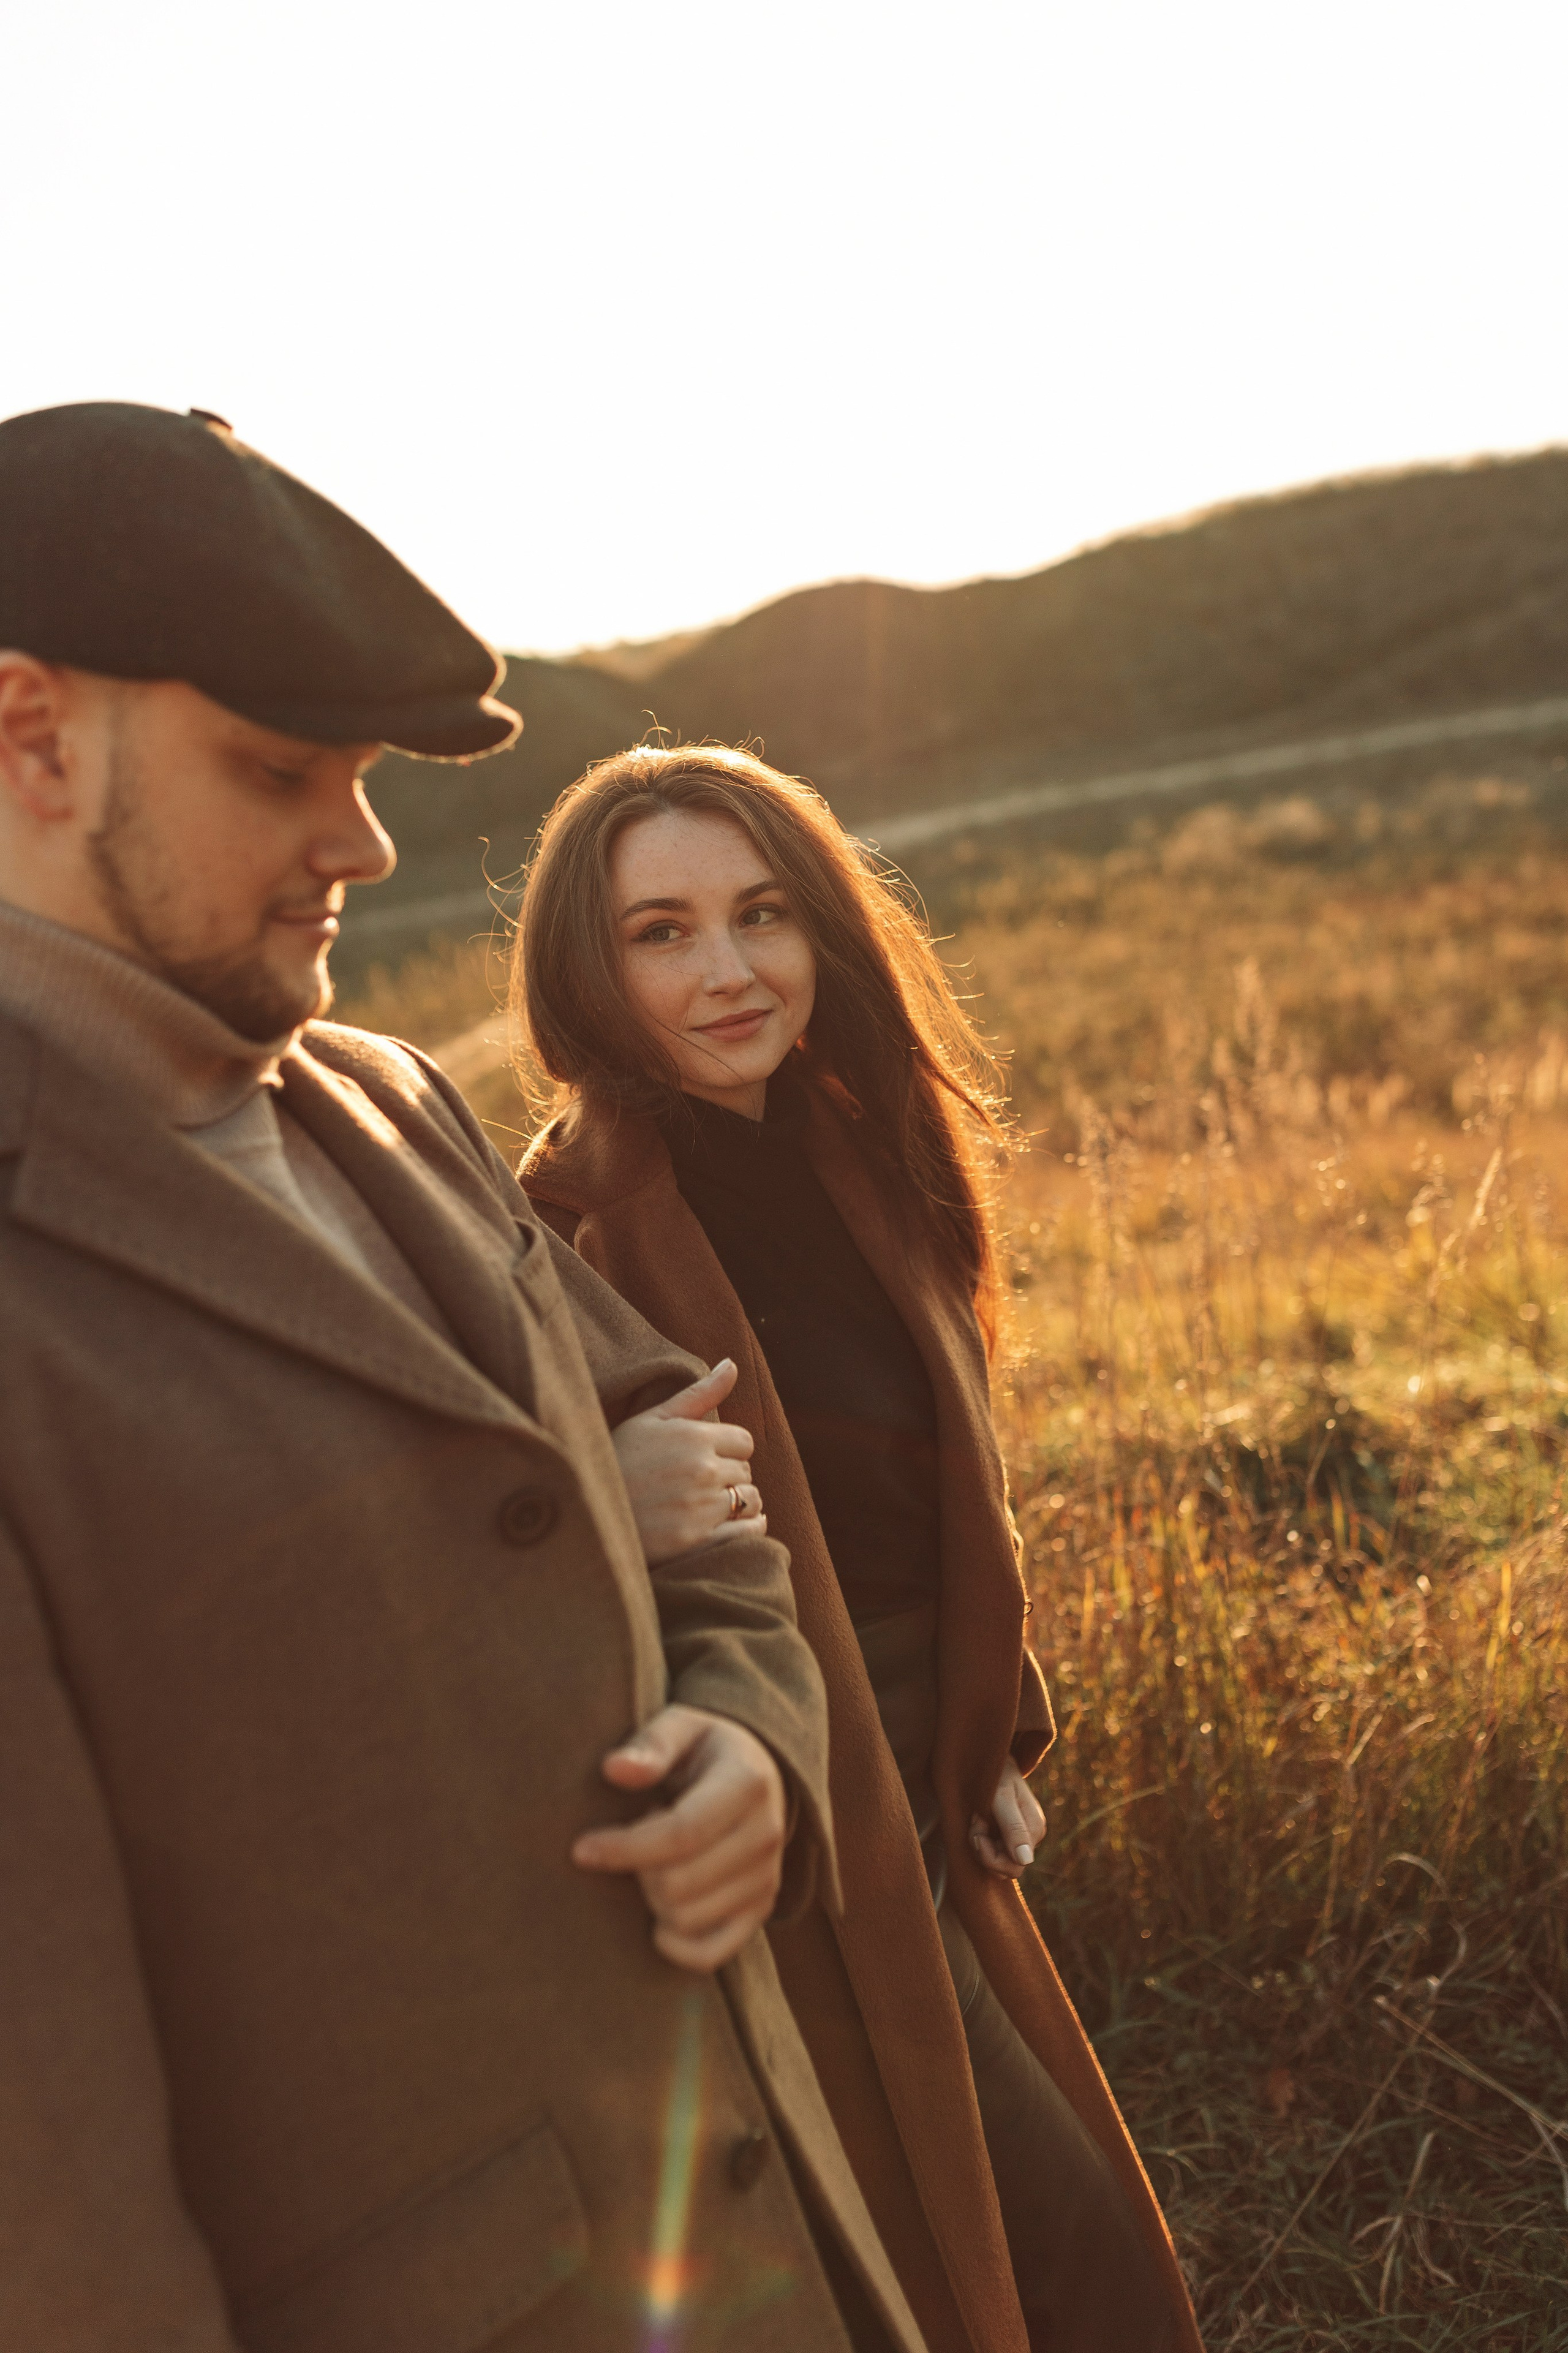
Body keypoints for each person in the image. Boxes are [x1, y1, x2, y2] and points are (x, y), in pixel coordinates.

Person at [0, 404, 926, 2353]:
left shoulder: (390, 1099)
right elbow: (48, 2196)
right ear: (28, 732)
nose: (367, 841)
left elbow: (710, 1521)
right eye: (283, 770)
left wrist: (758, 1742)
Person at [516, 746, 1206, 2353]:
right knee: (1049, 2265)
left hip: (937, 1793)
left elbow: (938, 1484)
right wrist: (600, 1481)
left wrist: (999, 1720)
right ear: (587, 966)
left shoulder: (865, 1155)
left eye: (762, 913)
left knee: (1014, 2254)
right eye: (661, 931)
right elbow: (469, 1542)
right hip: (799, 1815)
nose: (729, 968)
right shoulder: (558, 1226)